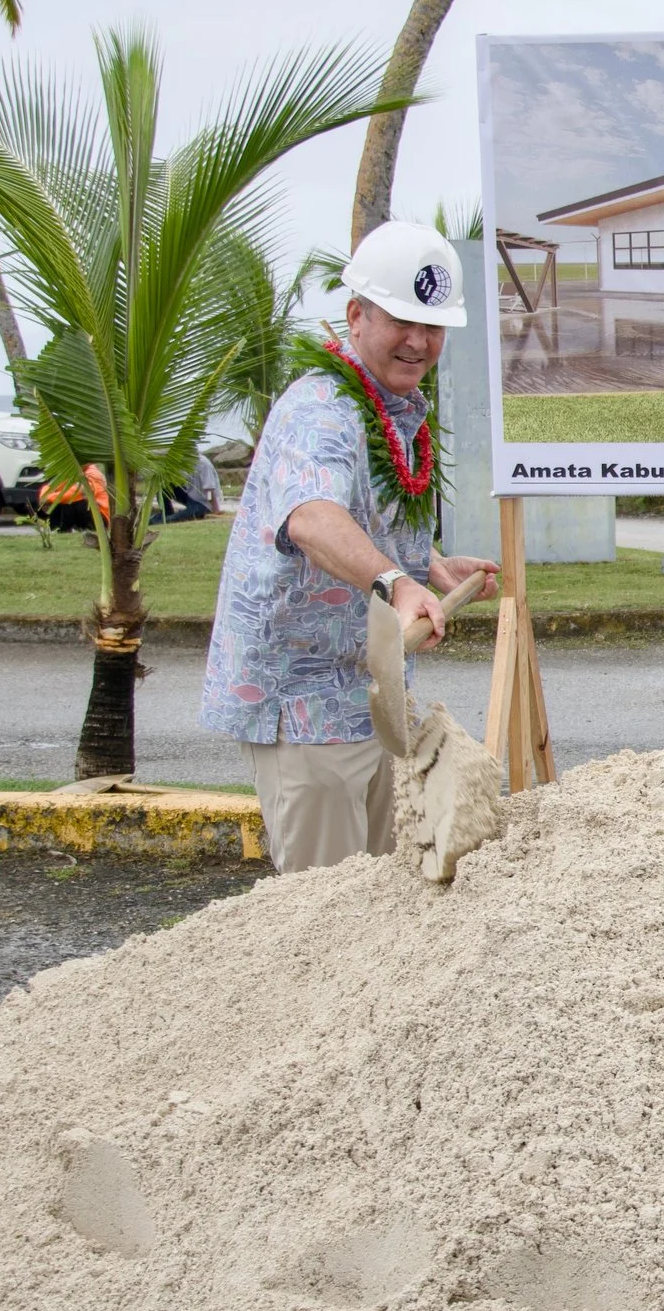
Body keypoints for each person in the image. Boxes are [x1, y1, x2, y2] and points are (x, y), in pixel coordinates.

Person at [199, 221, 499, 874]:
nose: (419, 342)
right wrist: (397, 583)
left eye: (434, 326)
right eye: (402, 321)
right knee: (325, 915)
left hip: (370, 701)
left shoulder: (396, 407)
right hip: (307, 709)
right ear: (356, 315)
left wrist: (430, 568)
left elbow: (366, 522)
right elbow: (311, 516)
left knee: (380, 905)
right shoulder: (321, 408)